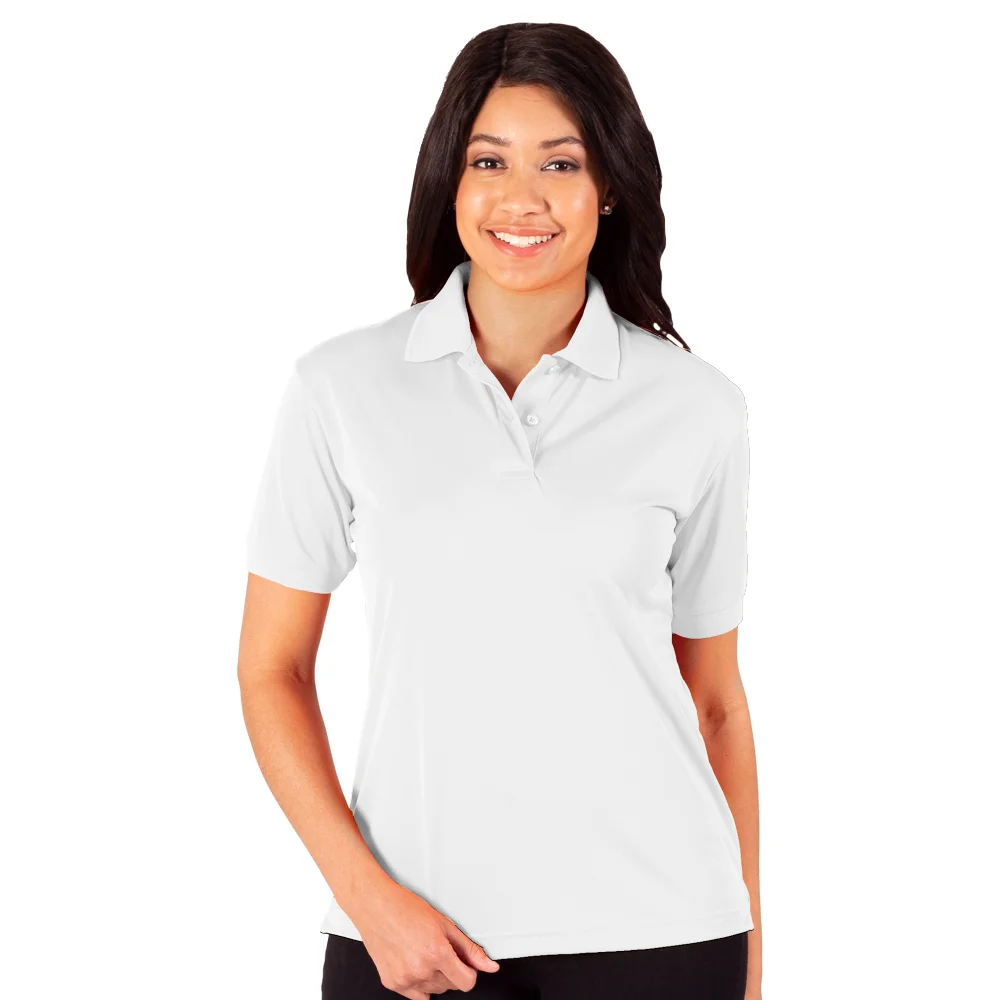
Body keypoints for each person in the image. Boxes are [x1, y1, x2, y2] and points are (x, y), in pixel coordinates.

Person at [238, 21, 762, 1000]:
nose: (522, 197)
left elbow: (718, 703)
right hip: (408, 940)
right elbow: (273, 669)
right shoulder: (341, 387)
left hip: (663, 935)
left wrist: (751, 957)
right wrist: (367, 899)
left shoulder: (699, 408)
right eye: (489, 161)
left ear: (609, 186)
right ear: (450, 178)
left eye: (560, 162)